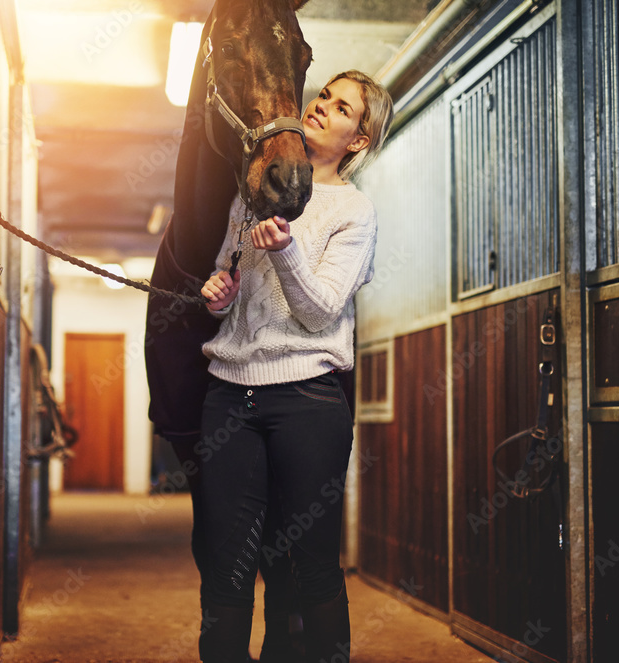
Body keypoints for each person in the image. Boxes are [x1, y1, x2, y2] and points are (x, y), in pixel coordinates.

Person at [196, 70, 393, 663]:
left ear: (357, 140)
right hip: (229, 395)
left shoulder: (353, 213)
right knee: (224, 560)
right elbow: (228, 288)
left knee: (310, 562)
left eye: (342, 109)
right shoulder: (250, 192)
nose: (322, 108)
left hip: (308, 401)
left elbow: (319, 312)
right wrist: (219, 295)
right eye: (324, 97)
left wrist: (285, 252)